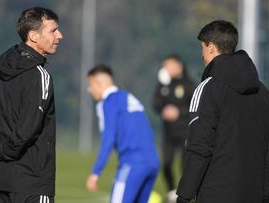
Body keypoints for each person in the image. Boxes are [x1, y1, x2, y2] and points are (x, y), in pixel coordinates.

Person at [0, 7, 63, 203]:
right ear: (33, 36)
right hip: (32, 183)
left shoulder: (0, 67)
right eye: (53, 30)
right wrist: (0, 152)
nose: (60, 35)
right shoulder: (40, 76)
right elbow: (27, 128)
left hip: (4, 180)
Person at [176, 20, 269, 203]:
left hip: (216, 193)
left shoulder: (208, 89)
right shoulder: (262, 91)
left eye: (202, 48)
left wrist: (184, 195)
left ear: (210, 48)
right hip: (256, 193)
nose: (202, 54)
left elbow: (199, 147)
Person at [85, 64, 160, 203]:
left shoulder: (108, 102)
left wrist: (96, 172)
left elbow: (108, 138)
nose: (89, 90)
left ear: (98, 82)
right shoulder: (128, 97)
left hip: (132, 164)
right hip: (152, 162)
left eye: (90, 84)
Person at [152, 54, 195, 200]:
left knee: (184, 166)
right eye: (165, 66)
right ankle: (171, 192)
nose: (167, 69)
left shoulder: (189, 84)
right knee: (165, 164)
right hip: (168, 133)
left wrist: (178, 112)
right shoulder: (163, 84)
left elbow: (194, 107)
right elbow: (155, 103)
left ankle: (183, 195)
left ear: (179, 65)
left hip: (185, 132)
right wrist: (163, 109)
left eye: (169, 65)